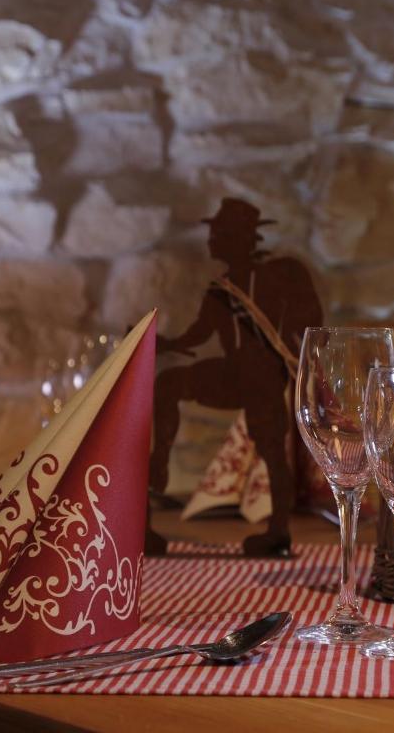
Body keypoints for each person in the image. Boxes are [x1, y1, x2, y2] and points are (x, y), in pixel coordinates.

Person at [150, 198, 323, 556]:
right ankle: (155, 481)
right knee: (168, 383)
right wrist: (164, 343)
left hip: (261, 377)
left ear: (237, 238)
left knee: (272, 451)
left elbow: (309, 325)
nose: (211, 240)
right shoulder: (220, 289)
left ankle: (277, 528)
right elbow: (198, 335)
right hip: (231, 374)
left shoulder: (278, 276)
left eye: (217, 234)